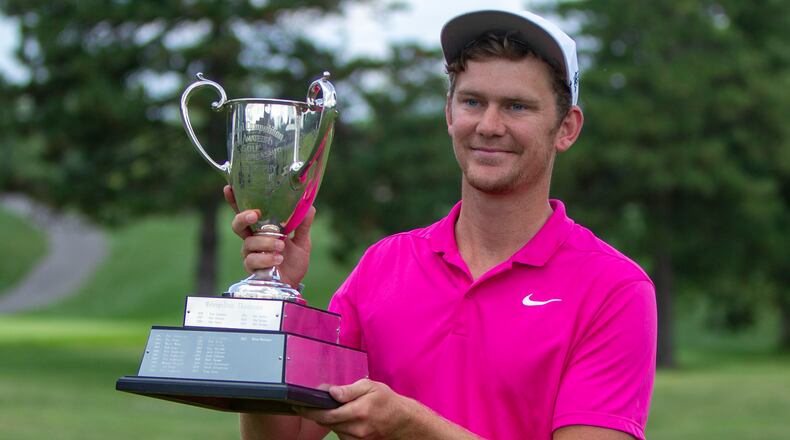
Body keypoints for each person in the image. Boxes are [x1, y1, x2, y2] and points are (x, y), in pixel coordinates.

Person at [226, 9, 657, 440]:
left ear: (567, 128)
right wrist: (276, 301)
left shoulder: (614, 289)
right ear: (449, 114)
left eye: (516, 106)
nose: (489, 126)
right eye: (472, 102)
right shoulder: (384, 265)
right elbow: (284, 437)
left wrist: (412, 427)